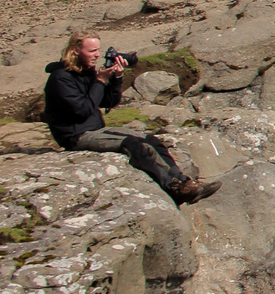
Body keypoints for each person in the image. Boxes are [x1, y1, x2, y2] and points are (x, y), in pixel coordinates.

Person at [43, 32, 219, 205]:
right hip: (76, 135)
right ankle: (173, 188)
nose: (97, 55)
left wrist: (116, 78)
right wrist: (99, 80)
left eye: (98, 50)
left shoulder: (86, 72)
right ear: (75, 51)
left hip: (95, 129)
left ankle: (185, 183)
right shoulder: (60, 78)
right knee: (134, 144)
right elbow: (82, 110)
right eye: (92, 51)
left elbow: (108, 101)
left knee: (151, 140)